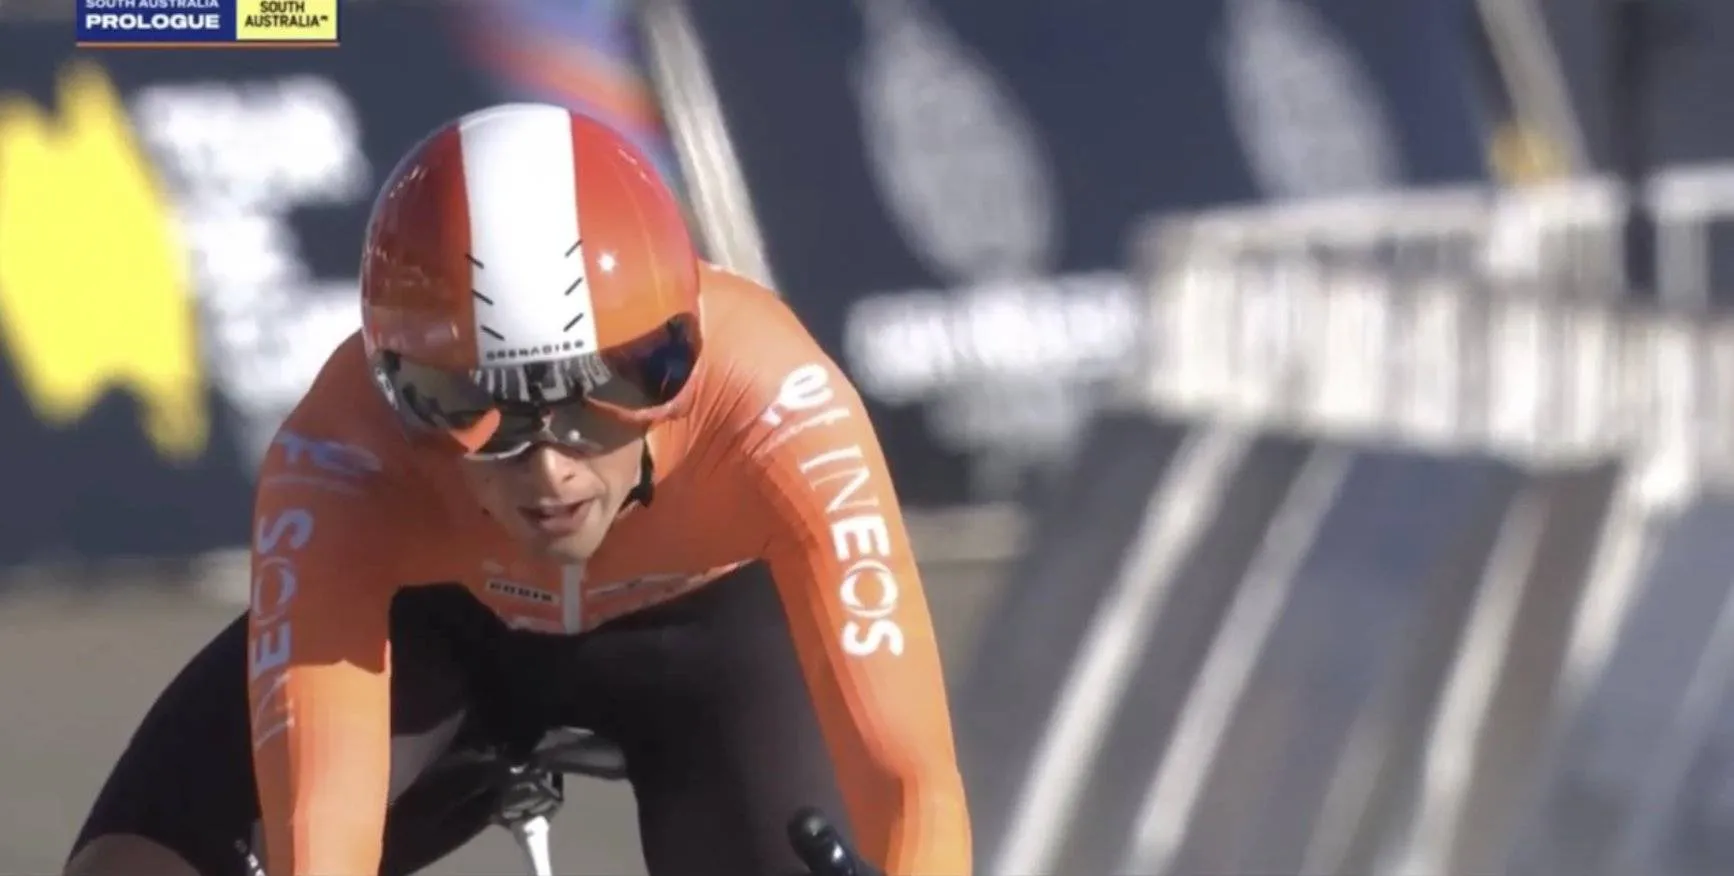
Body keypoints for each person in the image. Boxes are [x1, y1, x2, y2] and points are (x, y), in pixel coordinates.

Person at [63, 103, 971, 876]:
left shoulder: (777, 401)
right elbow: (320, 837)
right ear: (397, 387)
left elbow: (909, 775)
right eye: (469, 404)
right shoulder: (340, 458)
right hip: (442, 634)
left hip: (705, 644)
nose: (548, 467)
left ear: (677, 357)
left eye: (604, 389)